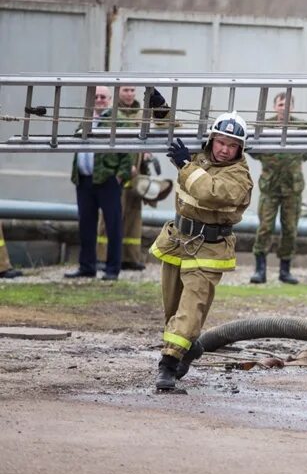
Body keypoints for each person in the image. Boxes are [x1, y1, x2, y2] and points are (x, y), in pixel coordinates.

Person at [149, 111, 253, 391]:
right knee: (173, 310)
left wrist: (185, 164)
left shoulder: (239, 176)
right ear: (211, 139)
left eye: (232, 146)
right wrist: (161, 108)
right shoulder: (199, 155)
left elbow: (211, 191)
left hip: (209, 248)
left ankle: (167, 365)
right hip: (177, 240)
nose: (224, 150)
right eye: (220, 142)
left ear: (241, 149)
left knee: (189, 309)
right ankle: (189, 345)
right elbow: (169, 131)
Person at [64, 86, 133, 281]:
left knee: (113, 226)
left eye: (103, 96)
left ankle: (112, 269)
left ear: (110, 99)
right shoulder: (86, 119)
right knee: (86, 224)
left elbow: (129, 151)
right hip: (84, 180)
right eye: (96, 96)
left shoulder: (117, 121)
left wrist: (120, 176)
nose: (99, 99)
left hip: (107, 180)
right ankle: (87, 266)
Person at [97, 86, 169, 271]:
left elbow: (150, 134)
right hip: (118, 172)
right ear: (118, 93)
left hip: (137, 172)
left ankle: (130, 257)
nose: (129, 94)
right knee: (111, 217)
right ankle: (103, 257)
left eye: (131, 90)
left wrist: (146, 153)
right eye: (125, 90)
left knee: (133, 217)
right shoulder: (111, 114)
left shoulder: (141, 113)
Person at [249, 92, 307, 285]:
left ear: (292, 108)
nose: (283, 108)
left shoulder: (301, 127)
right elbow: (252, 149)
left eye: (287, 105)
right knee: (264, 228)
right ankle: (260, 270)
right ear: (274, 106)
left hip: (292, 187)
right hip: (269, 186)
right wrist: (268, 159)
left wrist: (296, 159)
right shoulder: (264, 126)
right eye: (280, 104)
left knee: (290, 229)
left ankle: (285, 270)